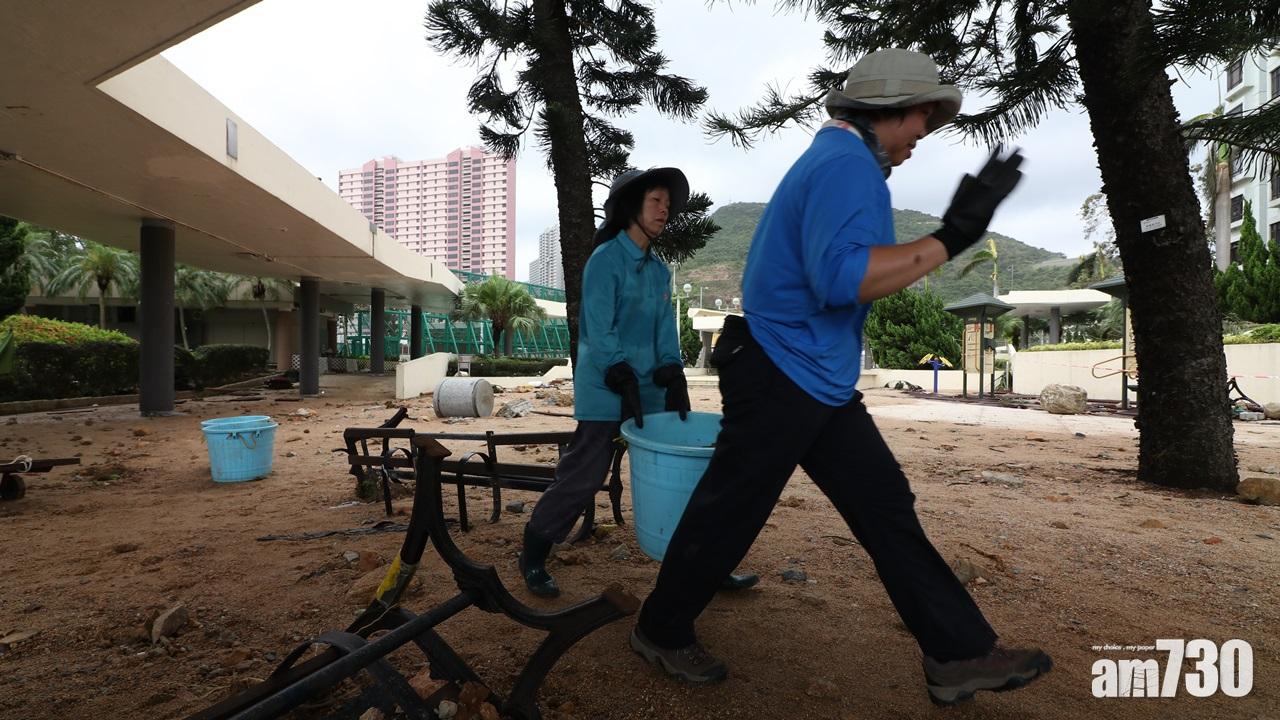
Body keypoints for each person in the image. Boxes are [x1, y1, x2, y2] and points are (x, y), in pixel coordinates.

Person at [630, 49, 1051, 705]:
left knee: (883, 508)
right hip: (779, 369)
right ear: (892, 110)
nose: (924, 133)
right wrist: (955, 233)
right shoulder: (847, 166)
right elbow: (841, 280)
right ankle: (660, 628)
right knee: (732, 510)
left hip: (811, 376)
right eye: (923, 118)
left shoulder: (844, 162)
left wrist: (949, 232)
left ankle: (957, 654)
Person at [519, 167, 758, 598]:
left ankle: (704, 562)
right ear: (631, 206)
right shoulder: (605, 260)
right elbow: (597, 327)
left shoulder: (659, 270)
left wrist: (672, 370)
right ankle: (533, 554)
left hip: (649, 387)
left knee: (689, 473)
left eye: (668, 203)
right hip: (606, 385)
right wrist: (617, 369)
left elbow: (665, 329)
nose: (665, 210)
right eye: (656, 201)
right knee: (585, 474)